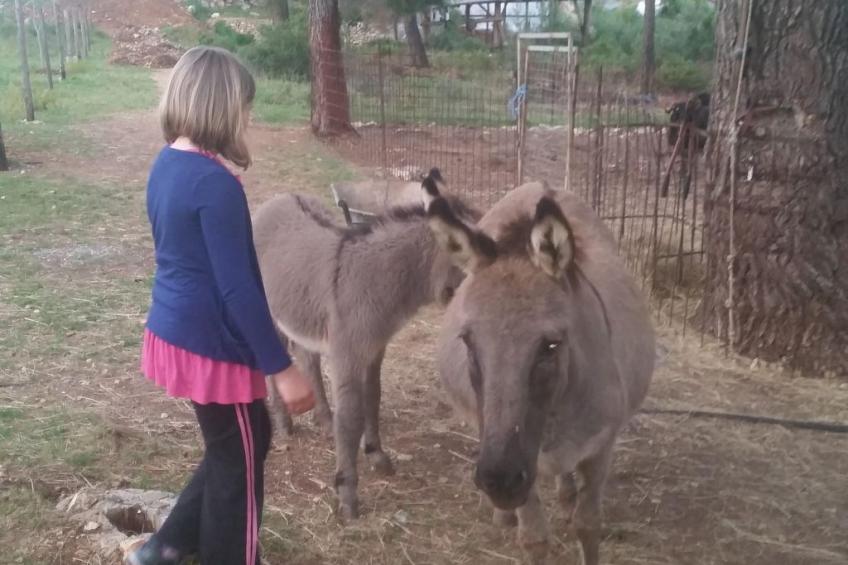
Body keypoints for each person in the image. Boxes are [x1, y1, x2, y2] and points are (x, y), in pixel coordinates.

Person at [127, 46, 315, 565]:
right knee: (243, 455)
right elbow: (237, 289)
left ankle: (164, 548)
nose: (248, 118)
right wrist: (282, 368)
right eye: (245, 107)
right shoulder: (215, 183)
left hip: (176, 328)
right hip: (210, 340)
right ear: (222, 107)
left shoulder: (168, 162)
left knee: (235, 442)